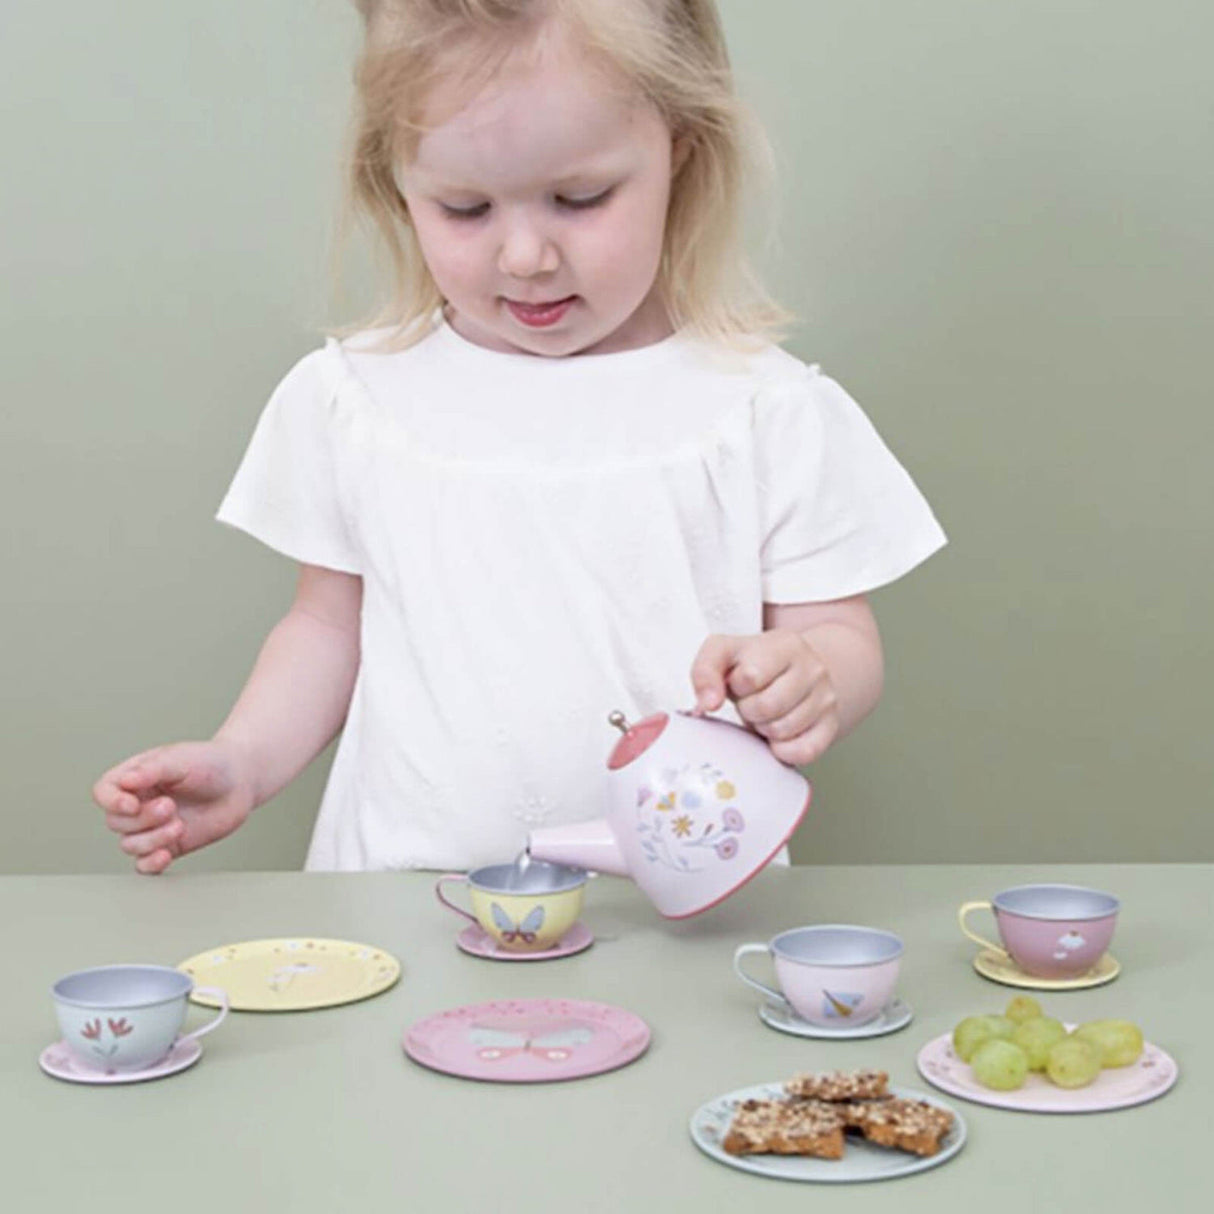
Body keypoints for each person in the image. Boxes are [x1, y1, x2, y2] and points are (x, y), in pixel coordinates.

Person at [92, 0, 945, 875]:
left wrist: (809, 676)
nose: (526, 255)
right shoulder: (355, 398)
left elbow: (841, 634)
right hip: (406, 906)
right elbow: (325, 630)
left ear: (678, 151)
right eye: (465, 209)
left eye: (580, 199)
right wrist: (243, 761)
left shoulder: (763, 409)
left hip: (677, 913)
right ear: (394, 183)